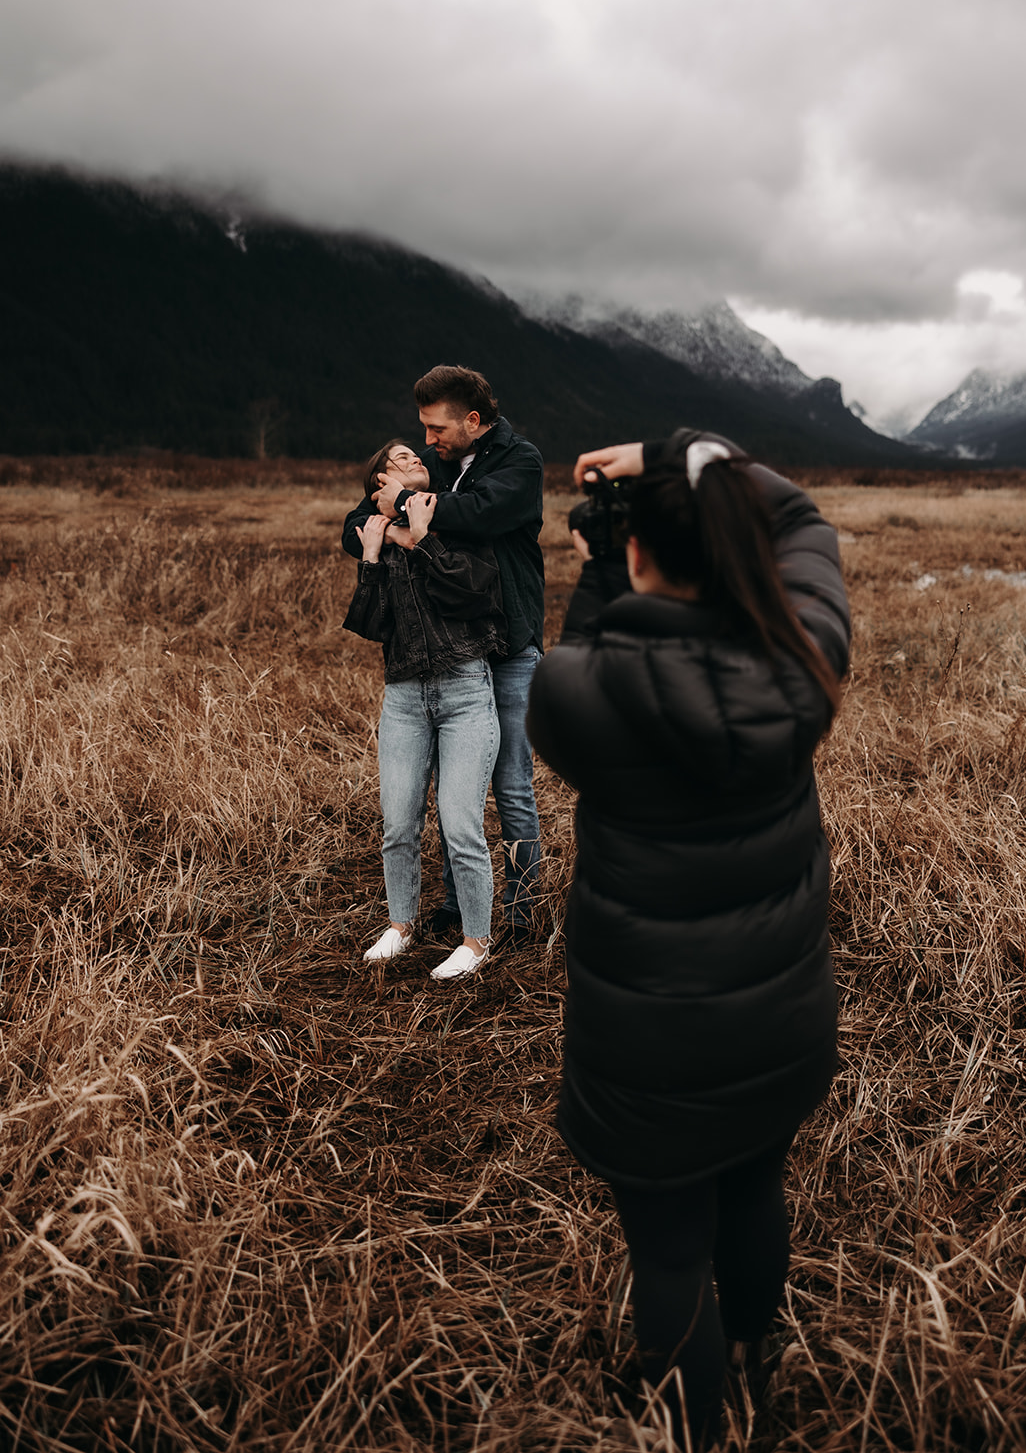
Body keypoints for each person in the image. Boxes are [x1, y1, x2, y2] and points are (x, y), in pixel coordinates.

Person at [526, 429, 850, 1449]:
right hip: (777, 1017)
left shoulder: (576, 694)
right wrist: (690, 452)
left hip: (650, 1044)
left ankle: (694, 1433)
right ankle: (756, 1363)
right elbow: (801, 521)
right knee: (754, 1187)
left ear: (632, 556)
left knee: (669, 1258)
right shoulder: (801, 657)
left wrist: (593, 581)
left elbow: (582, 661)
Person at [353, 365, 545, 943]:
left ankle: (520, 908)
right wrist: (390, 526)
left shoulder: (521, 462)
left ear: (473, 421)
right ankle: (457, 906)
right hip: (453, 647)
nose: (428, 441)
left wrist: (407, 502)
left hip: (508, 644)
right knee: (450, 791)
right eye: (424, 432)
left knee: (510, 782)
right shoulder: (433, 465)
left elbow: (480, 512)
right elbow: (357, 519)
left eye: (437, 429)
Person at [342, 439, 508, 982]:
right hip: (405, 696)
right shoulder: (374, 534)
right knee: (399, 823)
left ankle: (476, 940)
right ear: (379, 486)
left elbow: (476, 593)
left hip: (464, 688)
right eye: (399, 460)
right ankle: (402, 924)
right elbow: (370, 625)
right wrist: (374, 551)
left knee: (461, 826)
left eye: (415, 456)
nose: (414, 461)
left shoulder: (454, 518)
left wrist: (419, 539)